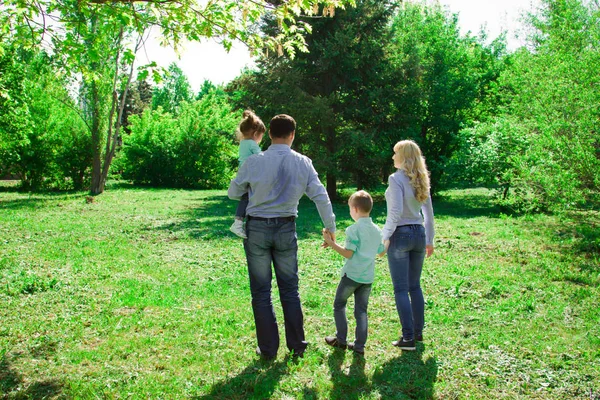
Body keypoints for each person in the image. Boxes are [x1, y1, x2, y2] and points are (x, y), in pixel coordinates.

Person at [228, 114, 336, 360]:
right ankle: (297, 344)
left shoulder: (254, 161)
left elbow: (233, 193)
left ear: (270, 134)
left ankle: (267, 349)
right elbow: (320, 196)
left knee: (261, 292)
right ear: (292, 135)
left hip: (256, 229)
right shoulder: (303, 162)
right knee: (289, 289)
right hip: (286, 227)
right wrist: (330, 226)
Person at [382, 140, 435, 351]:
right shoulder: (421, 179)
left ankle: (408, 337)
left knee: (401, 289)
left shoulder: (395, 179)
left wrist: (385, 238)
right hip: (419, 234)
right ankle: (418, 332)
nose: (392, 157)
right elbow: (429, 216)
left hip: (401, 235)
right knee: (415, 286)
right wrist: (430, 240)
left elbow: (394, 213)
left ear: (403, 156)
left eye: (395, 153)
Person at [322, 190, 385, 356]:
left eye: (350, 208)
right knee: (361, 311)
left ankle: (341, 340)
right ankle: (359, 347)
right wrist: (388, 240)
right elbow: (381, 251)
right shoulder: (377, 230)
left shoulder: (353, 230)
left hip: (351, 276)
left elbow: (348, 253)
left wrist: (330, 242)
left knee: (339, 304)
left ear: (355, 209)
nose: (350, 211)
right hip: (367, 278)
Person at [229, 110, 266, 239]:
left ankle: (240, 222)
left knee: (247, 196)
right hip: (249, 173)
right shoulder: (251, 144)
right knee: (248, 197)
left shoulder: (243, 143)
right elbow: (261, 157)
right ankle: (238, 223)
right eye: (261, 135)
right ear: (256, 133)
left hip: (244, 172)